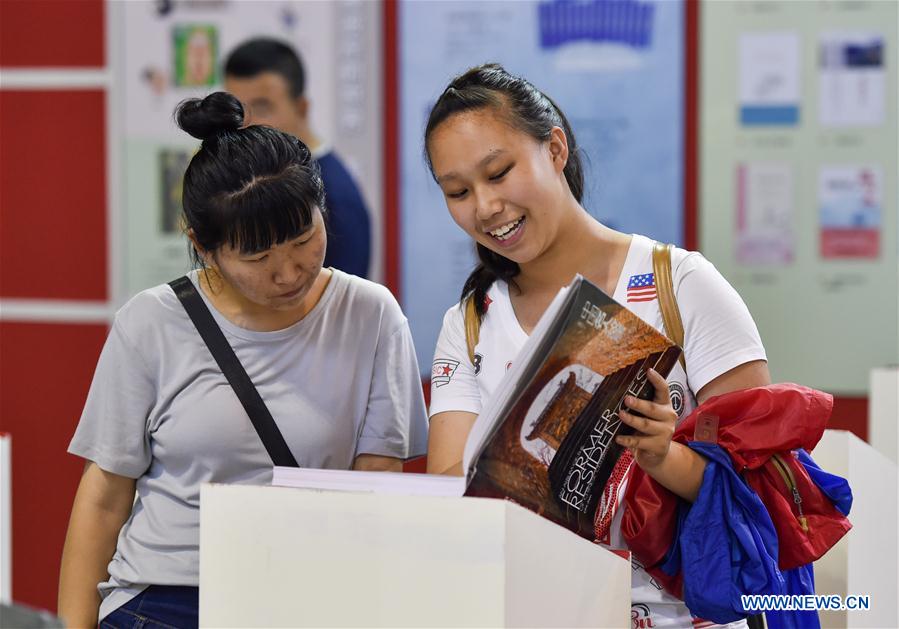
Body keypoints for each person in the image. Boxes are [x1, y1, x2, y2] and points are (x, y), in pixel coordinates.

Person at [57, 92, 427, 628]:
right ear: (202, 246)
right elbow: (105, 495)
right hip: (166, 601)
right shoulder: (151, 322)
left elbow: (375, 482)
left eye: (304, 238)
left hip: (306, 596)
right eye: (257, 257)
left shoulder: (370, 315)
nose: (290, 272)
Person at [423, 64, 770, 628]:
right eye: (458, 191)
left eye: (499, 172)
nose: (484, 207)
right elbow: (452, 496)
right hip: (533, 610)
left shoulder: (677, 284)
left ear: (554, 148)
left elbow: (762, 479)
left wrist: (664, 455)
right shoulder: (469, 323)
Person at [224, 37, 372, 278]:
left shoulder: (335, 198)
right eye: (236, 109)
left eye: (262, 107)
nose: (245, 123)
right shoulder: (253, 176)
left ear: (301, 108)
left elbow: (342, 308)